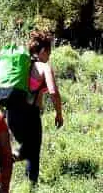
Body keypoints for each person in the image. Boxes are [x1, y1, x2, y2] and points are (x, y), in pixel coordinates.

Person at [4, 30, 64, 185]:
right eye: (49, 53)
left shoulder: (21, 66)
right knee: (33, 151)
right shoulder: (43, 67)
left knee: (28, 148)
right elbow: (53, 92)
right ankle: (30, 185)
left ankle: (11, 162)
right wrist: (58, 114)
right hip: (29, 116)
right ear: (43, 51)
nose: (49, 57)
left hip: (11, 113)